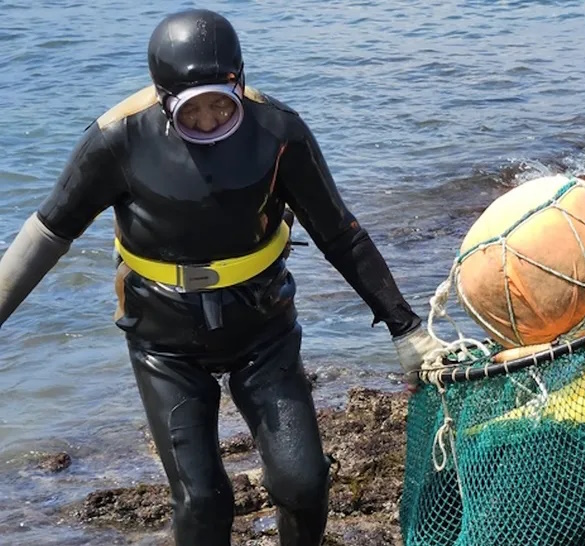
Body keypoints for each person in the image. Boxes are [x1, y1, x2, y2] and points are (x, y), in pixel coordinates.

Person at [0, 8, 440, 546]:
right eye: (192, 110)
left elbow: (340, 234)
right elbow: (48, 233)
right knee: (202, 502)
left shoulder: (278, 132)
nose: (208, 122)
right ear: (163, 98)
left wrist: (406, 328)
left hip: (264, 329)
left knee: (303, 484)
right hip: (164, 343)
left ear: (240, 83)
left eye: (220, 105)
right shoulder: (117, 139)